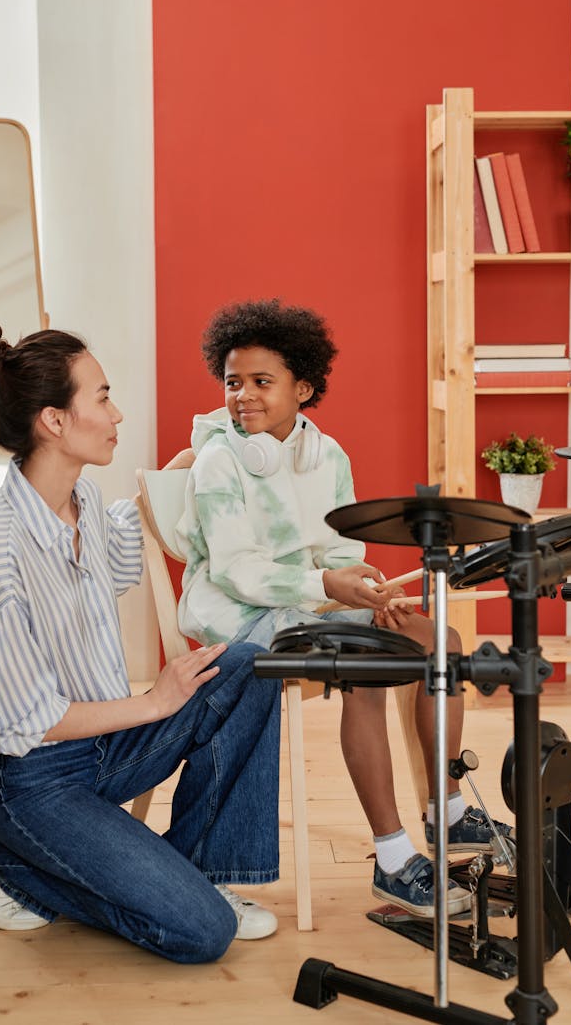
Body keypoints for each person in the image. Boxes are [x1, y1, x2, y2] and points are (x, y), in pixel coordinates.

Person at [0, 318, 282, 961]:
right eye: (102, 397)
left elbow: (125, 536)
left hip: (108, 749)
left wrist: (183, 469)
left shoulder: (81, 499)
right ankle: (14, 864)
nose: (118, 413)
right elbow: (15, 722)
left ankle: (206, 874)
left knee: (246, 665)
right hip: (33, 782)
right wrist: (156, 703)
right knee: (202, 934)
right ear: (54, 421)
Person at [178, 298, 511, 918]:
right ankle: (391, 858)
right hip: (241, 616)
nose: (242, 395)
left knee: (441, 641)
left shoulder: (325, 454)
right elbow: (235, 569)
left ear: (303, 388)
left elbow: (338, 546)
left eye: (261, 382)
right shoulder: (220, 460)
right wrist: (329, 588)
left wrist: (368, 587)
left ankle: (448, 809)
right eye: (232, 382)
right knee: (371, 663)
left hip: (316, 600)